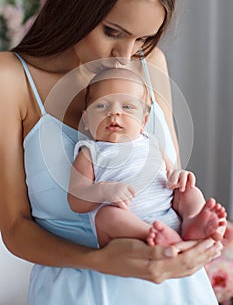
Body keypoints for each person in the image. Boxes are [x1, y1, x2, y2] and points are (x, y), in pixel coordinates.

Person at [0, 0, 223, 304]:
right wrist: (100, 260)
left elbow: (167, 187)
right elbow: (14, 229)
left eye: (143, 39)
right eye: (112, 32)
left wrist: (198, 234)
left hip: (177, 291)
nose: (124, 56)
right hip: (76, 293)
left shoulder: (150, 65)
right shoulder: (10, 79)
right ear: (77, 4)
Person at [67, 68, 226, 249]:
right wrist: (103, 191)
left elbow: (170, 172)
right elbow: (75, 200)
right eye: (102, 106)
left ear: (143, 121)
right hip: (127, 228)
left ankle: (193, 222)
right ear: (86, 120)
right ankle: (153, 235)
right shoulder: (89, 153)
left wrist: (178, 175)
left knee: (189, 191)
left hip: (168, 213)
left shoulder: (150, 143)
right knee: (106, 216)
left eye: (127, 107)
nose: (114, 113)